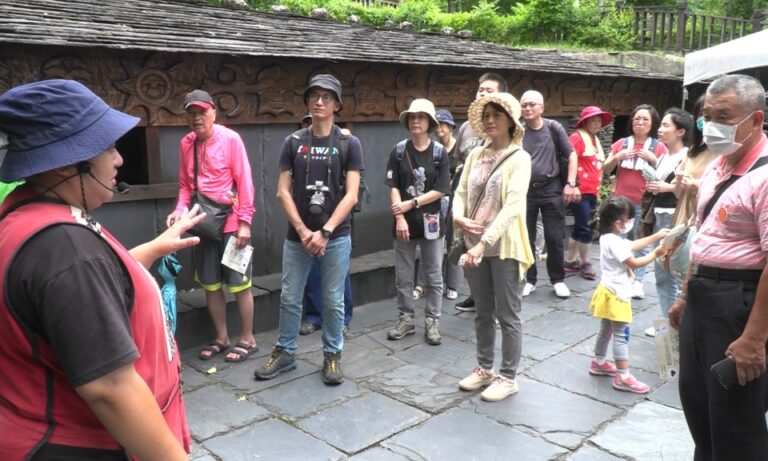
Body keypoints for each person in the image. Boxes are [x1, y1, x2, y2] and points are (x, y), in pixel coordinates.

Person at [0, 79, 195, 460]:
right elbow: (111, 388)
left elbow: (83, 294)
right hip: (86, 445)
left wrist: (152, 248)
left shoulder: (30, 215)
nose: (119, 159)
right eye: (107, 147)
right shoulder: (67, 250)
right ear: (67, 163)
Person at [668, 74, 768, 461]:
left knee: (735, 418)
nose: (712, 125)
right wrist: (684, 295)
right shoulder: (717, 167)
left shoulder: (764, 176)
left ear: (755, 119)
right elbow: (704, 236)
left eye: (723, 116)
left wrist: (754, 338)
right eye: (707, 116)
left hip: (738, 302)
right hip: (702, 297)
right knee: (698, 402)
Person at [255, 74, 363, 385]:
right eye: (314, 96)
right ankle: (285, 351)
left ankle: (332, 354)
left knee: (332, 299)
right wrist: (303, 231)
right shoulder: (293, 142)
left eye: (327, 97)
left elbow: (352, 195)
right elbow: (282, 191)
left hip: (336, 236)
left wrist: (325, 231)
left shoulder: (349, 143)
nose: (319, 102)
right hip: (297, 237)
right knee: (290, 297)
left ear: (337, 105)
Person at [167, 89, 257, 363]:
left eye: (202, 112)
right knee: (211, 284)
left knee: (239, 284)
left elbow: (245, 181)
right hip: (203, 224)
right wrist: (179, 211)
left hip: (232, 222)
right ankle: (221, 337)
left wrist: (244, 222)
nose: (197, 118)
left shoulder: (231, 139)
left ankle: (248, 338)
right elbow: (185, 186)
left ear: (213, 113)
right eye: (192, 113)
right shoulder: (186, 144)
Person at [454, 92, 533, 401]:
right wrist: (458, 218)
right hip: (473, 243)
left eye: (496, 115)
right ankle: (484, 368)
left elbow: (514, 205)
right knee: (482, 310)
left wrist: (484, 243)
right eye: (486, 115)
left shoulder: (520, 158)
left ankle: (508, 376)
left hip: (503, 246)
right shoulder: (475, 154)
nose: (489, 121)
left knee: (508, 313)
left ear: (511, 121)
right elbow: (461, 191)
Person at [385, 98, 450, 346]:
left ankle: (432, 319)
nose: (415, 121)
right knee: (403, 275)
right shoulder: (399, 151)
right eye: (412, 117)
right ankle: (406, 318)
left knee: (433, 275)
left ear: (430, 122)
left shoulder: (439, 153)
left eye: (421, 117)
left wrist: (411, 203)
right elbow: (393, 186)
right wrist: (399, 217)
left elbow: (441, 189)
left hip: (432, 222)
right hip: (404, 223)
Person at [587, 196, 668, 394]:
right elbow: (634, 263)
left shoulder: (608, 238)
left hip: (608, 290)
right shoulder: (615, 243)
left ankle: (599, 361)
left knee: (606, 330)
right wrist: (656, 254)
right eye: (629, 219)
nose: (631, 222)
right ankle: (623, 376)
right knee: (621, 335)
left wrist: (656, 236)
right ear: (618, 223)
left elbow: (633, 245)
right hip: (618, 296)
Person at [452, 72, 508, 312]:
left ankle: (495, 302)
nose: (482, 93)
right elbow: (457, 160)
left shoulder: (508, 129)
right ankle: (477, 295)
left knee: (493, 253)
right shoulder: (466, 127)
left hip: (495, 204)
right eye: (480, 89)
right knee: (467, 250)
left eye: (489, 90)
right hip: (469, 202)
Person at [602, 104, 668, 299]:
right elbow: (606, 169)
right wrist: (618, 157)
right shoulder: (622, 144)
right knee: (619, 239)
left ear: (652, 123)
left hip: (643, 201)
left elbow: (666, 173)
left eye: (645, 119)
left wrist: (653, 159)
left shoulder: (659, 147)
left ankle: (638, 281)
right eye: (637, 118)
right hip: (620, 201)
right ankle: (621, 277)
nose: (640, 122)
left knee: (641, 239)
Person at [298, 111, 354, 337]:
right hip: (308, 220)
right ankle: (314, 316)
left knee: (339, 274)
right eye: (306, 123)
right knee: (312, 272)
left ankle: (343, 318)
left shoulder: (343, 144)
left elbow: (352, 188)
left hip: (336, 221)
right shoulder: (298, 148)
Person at [519, 90, 578, 298]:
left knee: (554, 236)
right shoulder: (518, 131)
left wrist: (571, 183)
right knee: (526, 236)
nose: (528, 108)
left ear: (542, 108)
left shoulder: (553, 127)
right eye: (524, 105)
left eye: (532, 104)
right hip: (525, 190)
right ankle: (530, 279)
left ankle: (558, 279)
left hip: (551, 188)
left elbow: (571, 154)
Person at [643, 108, 690, 337]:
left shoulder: (687, 157)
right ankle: (667, 322)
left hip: (676, 217)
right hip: (660, 215)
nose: (660, 129)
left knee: (677, 270)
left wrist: (668, 187)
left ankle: (678, 324)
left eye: (665, 125)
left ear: (680, 132)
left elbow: (687, 191)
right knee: (662, 271)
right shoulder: (662, 156)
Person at [413, 109, 461, 301]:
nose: (439, 128)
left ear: (451, 127)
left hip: (455, 199)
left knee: (454, 241)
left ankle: (452, 284)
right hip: (434, 200)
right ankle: (423, 284)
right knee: (430, 239)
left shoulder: (459, 148)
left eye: (443, 124)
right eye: (437, 125)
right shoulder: (432, 148)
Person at [564, 105, 613, 280]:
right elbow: (568, 161)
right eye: (593, 120)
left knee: (581, 226)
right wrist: (573, 184)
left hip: (592, 191)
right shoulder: (577, 138)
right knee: (585, 228)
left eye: (599, 121)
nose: (597, 124)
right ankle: (585, 262)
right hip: (580, 191)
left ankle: (570, 261)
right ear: (584, 122)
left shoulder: (594, 140)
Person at [671, 95, 718, 228]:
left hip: (707, 220)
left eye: (710, 115)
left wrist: (697, 184)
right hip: (684, 219)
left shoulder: (725, 152)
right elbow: (677, 192)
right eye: (701, 114)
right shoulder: (693, 151)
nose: (705, 119)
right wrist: (680, 180)